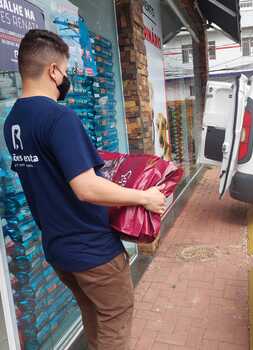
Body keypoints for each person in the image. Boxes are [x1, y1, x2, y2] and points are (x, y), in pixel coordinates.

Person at [4, 29, 166, 350]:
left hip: (59, 250)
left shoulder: (13, 121)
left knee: (94, 316)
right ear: (53, 71)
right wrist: (145, 197)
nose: (66, 79)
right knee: (115, 323)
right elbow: (86, 188)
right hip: (93, 251)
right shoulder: (58, 117)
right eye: (65, 71)